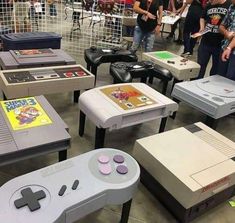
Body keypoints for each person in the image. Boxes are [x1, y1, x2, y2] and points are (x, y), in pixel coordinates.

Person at [195, 0, 230, 79]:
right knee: (200, 66)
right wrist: (202, 28)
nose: (210, 1)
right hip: (206, 41)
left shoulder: (229, 5)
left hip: (220, 44)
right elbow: (202, 17)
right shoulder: (209, 5)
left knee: (216, 70)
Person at [218, 0, 235, 79]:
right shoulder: (231, 7)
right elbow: (221, 26)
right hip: (225, 47)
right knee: (220, 76)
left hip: (231, 51)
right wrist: (226, 33)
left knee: (230, 79)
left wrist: (229, 47)